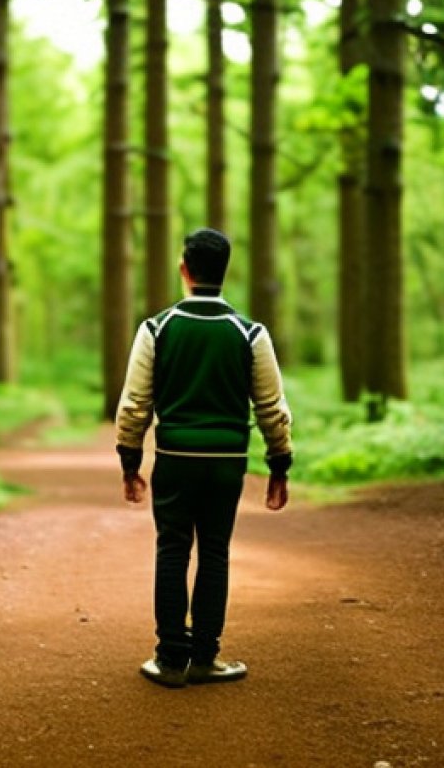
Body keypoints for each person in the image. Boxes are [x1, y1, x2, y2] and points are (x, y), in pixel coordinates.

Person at [115, 227, 293, 688]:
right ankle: (206, 659)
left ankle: (170, 660)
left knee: (172, 549)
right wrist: (279, 464)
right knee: (215, 551)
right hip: (226, 461)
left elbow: (134, 405)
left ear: (184, 270)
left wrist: (130, 463)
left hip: (174, 457)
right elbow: (272, 407)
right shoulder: (250, 334)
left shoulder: (157, 329)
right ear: (224, 272)